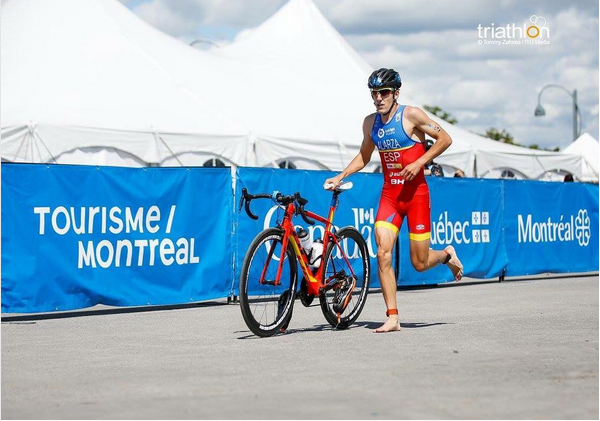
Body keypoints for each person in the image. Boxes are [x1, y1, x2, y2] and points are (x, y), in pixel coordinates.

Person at [324, 68, 463, 333]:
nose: (378, 98)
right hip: (390, 197)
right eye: (374, 93)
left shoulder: (410, 115)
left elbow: (445, 138)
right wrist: (341, 175)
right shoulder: (370, 123)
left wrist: (420, 161)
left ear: (395, 93)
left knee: (419, 264)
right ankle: (392, 316)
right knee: (382, 252)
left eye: (384, 93)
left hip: (416, 196)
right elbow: (364, 156)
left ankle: (446, 255)